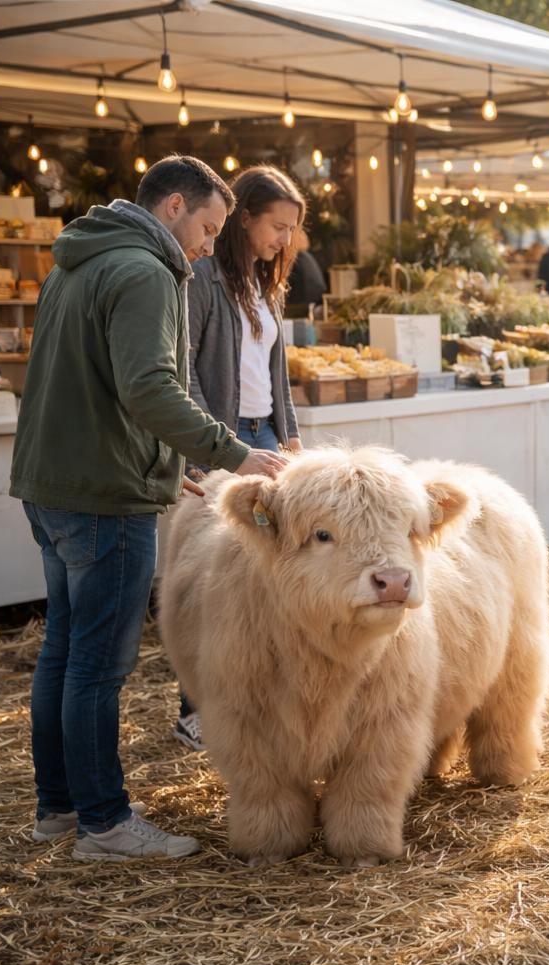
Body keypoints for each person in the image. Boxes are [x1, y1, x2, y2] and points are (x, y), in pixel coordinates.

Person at [10, 155, 288, 861]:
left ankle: (60, 808)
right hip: (104, 497)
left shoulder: (79, 260)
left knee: (66, 652)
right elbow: (149, 389)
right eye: (206, 226)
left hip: (53, 484)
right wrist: (234, 455)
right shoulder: (144, 272)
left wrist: (169, 464)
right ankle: (105, 823)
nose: (207, 243)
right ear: (172, 206)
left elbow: (97, 384)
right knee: (99, 666)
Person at [179, 164, 306, 751]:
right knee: (211, 572)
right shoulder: (202, 277)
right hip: (225, 437)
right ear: (244, 217)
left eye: (291, 230)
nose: (285, 240)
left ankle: (262, 694)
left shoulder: (266, 283)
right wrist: (208, 444)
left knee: (263, 568)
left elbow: (275, 371)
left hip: (265, 435)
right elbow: (186, 370)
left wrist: (290, 431)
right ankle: (196, 705)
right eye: (277, 226)